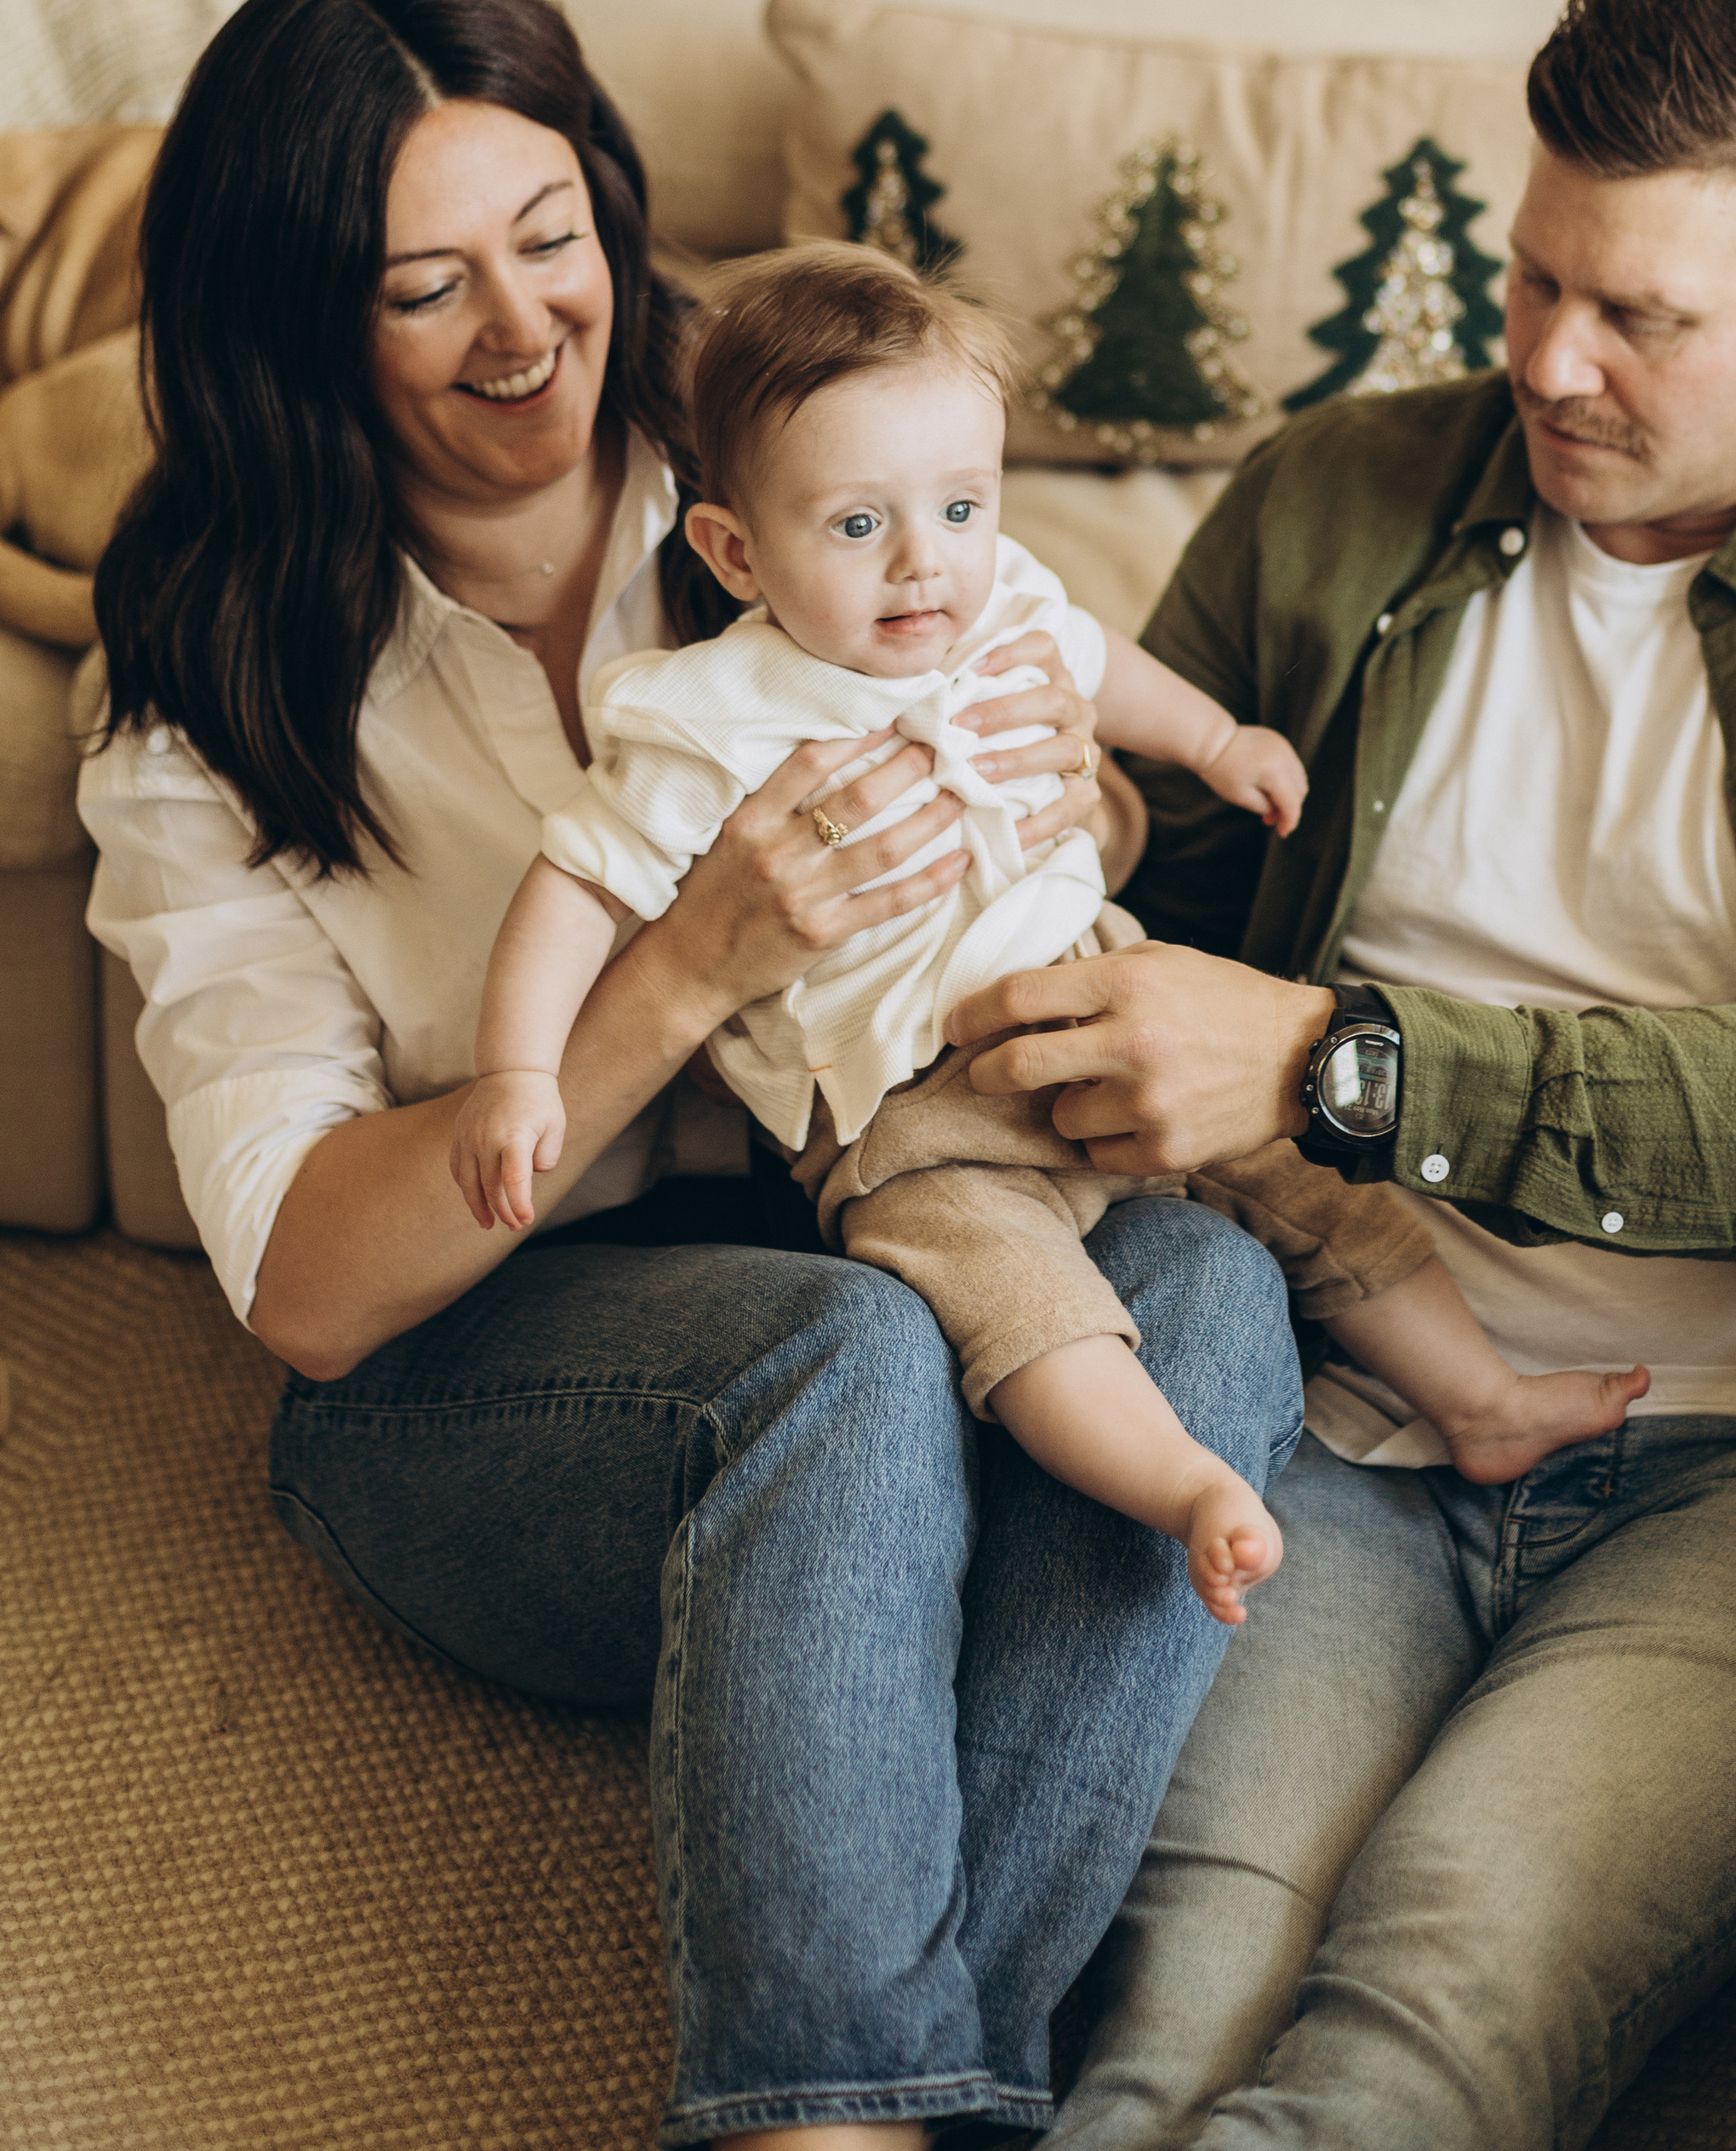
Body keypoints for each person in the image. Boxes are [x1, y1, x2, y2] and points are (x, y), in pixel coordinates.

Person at [78, 0, 1305, 2151]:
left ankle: (897, 2096)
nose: (528, 323)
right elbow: (309, 1293)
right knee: (831, 1372)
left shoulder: (788, 447)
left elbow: (1048, 791)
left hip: (878, 1217)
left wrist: (1075, 776)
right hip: (479, 1371)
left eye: (550, 240)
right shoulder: (217, 690)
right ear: (297, 318)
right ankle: (819, 2121)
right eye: (422, 284)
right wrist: (674, 978)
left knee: (1209, 1283)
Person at [947, 0, 1736, 2151]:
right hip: (1340, 1414)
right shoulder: (1342, 496)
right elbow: (1163, 919)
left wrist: (1341, 1063)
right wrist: (1057, 832)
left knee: (1445, 1989)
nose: (1553, 364)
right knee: (1173, 1991)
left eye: (1644, 317)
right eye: (1532, 282)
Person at [453, 243, 1645, 1621]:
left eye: (961, 504)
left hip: (1102, 1007)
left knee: (1313, 1169)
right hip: (906, 1109)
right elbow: (574, 887)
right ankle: (1180, 1485)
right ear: (735, 553)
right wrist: (515, 1075)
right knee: (1014, 1305)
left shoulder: (995, 598)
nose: (925, 564)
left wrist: (1217, 738)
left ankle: (1477, 1396)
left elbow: (1097, 662)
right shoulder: (709, 716)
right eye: (856, 527)